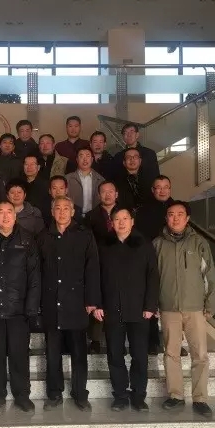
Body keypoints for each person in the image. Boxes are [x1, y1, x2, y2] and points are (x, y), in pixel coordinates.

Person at [0, 201, 41, 412]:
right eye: (0, 212)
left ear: (15, 215)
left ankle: (22, 395)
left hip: (19, 308)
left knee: (19, 354)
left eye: (9, 212)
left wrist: (31, 307)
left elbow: (34, 276)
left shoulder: (27, 239)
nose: (5, 216)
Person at [153, 201, 215, 418]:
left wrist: (211, 304)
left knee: (200, 355)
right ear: (166, 218)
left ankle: (200, 399)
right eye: (171, 214)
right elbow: (152, 278)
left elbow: (209, 275)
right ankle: (176, 395)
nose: (175, 218)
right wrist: (153, 304)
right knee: (171, 353)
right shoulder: (157, 244)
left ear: (187, 218)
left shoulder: (199, 243)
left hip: (195, 308)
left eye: (180, 214)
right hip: (168, 307)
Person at [93, 207, 160, 412]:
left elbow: (153, 276)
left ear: (132, 221)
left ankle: (138, 395)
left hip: (139, 310)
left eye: (125, 218)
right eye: (117, 219)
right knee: (115, 354)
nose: (121, 222)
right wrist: (97, 304)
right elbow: (95, 276)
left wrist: (150, 305)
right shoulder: (103, 245)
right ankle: (120, 395)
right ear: (111, 223)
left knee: (139, 355)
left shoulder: (144, 245)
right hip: (112, 308)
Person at [38, 196, 100, 412]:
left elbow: (93, 268)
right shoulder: (43, 236)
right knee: (52, 352)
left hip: (77, 303)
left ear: (73, 212)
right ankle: (54, 393)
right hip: (51, 302)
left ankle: (80, 393)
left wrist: (92, 300)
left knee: (78, 352)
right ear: (52, 211)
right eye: (58, 208)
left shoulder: (84, 235)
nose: (62, 212)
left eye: (66, 208)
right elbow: (37, 271)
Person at [135, 174, 178, 356]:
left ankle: (175, 342)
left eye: (166, 187)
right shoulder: (143, 211)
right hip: (151, 259)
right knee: (150, 299)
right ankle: (152, 341)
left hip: (173, 261)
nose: (162, 190)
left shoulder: (178, 208)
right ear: (153, 190)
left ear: (170, 189)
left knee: (172, 301)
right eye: (158, 187)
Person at [84, 180, 119, 354]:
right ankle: (95, 339)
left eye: (111, 191)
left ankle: (117, 337)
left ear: (116, 194)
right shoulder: (91, 216)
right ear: (99, 195)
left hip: (121, 262)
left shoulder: (125, 213)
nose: (107, 194)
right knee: (97, 298)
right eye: (104, 192)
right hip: (98, 262)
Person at [65, 147, 105, 220]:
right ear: (77, 160)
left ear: (92, 159)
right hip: (72, 218)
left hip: (95, 218)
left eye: (87, 156)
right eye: (81, 156)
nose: (85, 159)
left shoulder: (101, 180)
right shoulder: (67, 179)